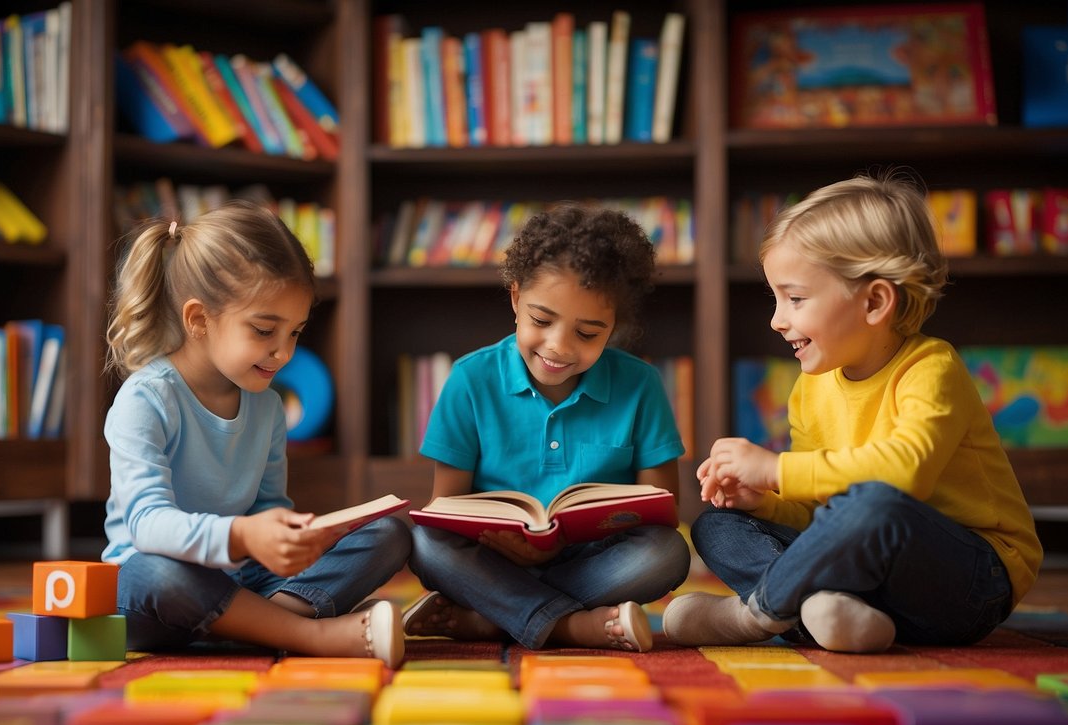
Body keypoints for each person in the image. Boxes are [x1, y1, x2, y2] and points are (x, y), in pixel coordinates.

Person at [664, 172, 1042, 653]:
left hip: (972, 580)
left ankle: (756, 614)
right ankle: (831, 616)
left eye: (795, 299)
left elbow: (903, 479)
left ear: (875, 302)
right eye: (776, 299)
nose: (777, 320)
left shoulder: (931, 368)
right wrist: (766, 502)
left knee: (874, 503)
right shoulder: (811, 387)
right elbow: (822, 516)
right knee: (717, 525)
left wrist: (777, 468)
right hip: (873, 582)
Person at [102, 201, 409, 667]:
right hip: (153, 599)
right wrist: (245, 535)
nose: (283, 353)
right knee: (152, 571)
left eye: (296, 333)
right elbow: (146, 524)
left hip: (241, 581)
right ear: (199, 320)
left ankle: (264, 626)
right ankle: (310, 636)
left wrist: (297, 537)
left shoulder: (266, 405)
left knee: (388, 534)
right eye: (265, 330)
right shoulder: (145, 400)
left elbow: (267, 507)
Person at [405, 203, 691, 652]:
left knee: (666, 554)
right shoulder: (470, 378)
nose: (558, 347)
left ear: (613, 325)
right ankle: (568, 627)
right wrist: (501, 541)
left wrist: (563, 542)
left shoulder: (641, 385)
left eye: (589, 333)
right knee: (424, 543)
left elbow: (660, 509)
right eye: (542, 320)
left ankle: (497, 619)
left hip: (591, 561)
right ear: (516, 297)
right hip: (495, 561)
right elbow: (447, 507)